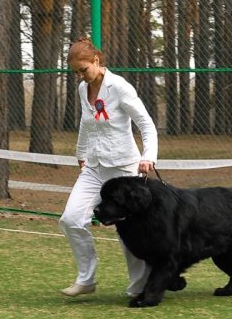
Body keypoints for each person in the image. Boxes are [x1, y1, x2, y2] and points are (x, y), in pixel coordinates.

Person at [59, 37, 158, 298]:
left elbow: (146, 125)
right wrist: (81, 153)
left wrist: (148, 156)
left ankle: (139, 288)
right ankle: (86, 279)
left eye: (84, 70)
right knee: (70, 219)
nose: (81, 76)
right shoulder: (83, 89)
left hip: (125, 169)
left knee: (129, 232)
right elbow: (86, 122)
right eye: (76, 72)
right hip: (94, 166)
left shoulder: (120, 87)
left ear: (96, 61)